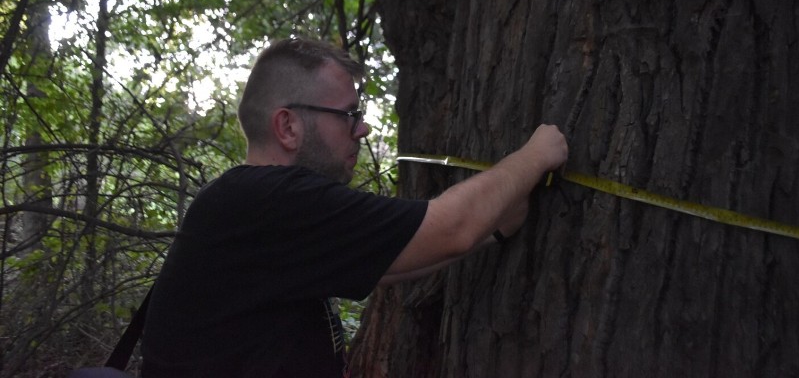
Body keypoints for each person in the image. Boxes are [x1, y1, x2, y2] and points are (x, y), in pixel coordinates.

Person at [140, 37, 568, 378]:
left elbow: (386, 266)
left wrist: (490, 232)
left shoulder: (249, 206)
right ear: (288, 126)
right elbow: (448, 227)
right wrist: (535, 155)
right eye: (348, 114)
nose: (362, 128)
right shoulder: (270, 198)